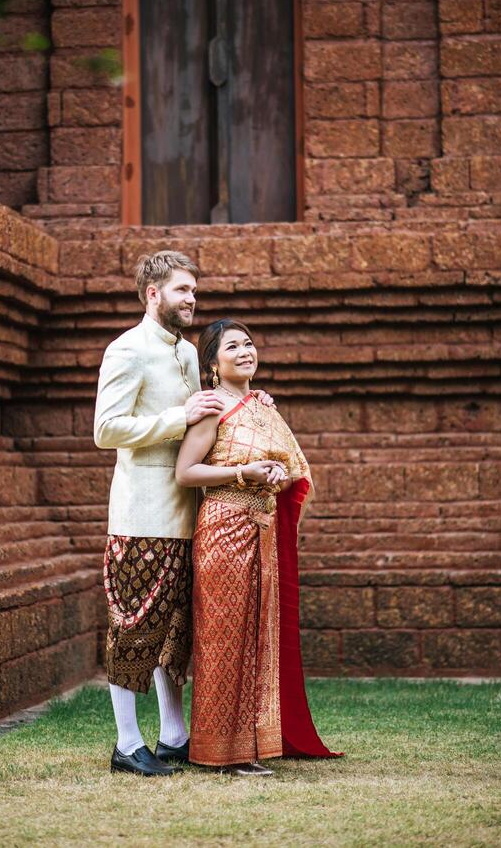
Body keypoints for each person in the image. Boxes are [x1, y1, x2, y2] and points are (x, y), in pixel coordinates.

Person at [94, 251, 275, 777]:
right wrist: (179, 416)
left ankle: (173, 736)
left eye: (194, 290)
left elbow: (212, 416)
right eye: (181, 291)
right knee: (133, 628)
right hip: (141, 516)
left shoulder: (183, 353)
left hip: (190, 519)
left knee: (175, 635)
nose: (192, 299)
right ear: (153, 294)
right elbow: (106, 430)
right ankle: (127, 744)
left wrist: (244, 400)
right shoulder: (127, 349)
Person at [176, 318, 343, 776]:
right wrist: (242, 474)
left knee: (257, 638)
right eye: (233, 346)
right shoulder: (212, 408)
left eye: (249, 343)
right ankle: (217, 752)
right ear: (212, 362)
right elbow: (186, 472)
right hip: (224, 529)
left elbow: (291, 468)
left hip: (262, 527)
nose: (246, 351)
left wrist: (272, 475)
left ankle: (251, 746)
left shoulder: (263, 405)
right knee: (224, 638)